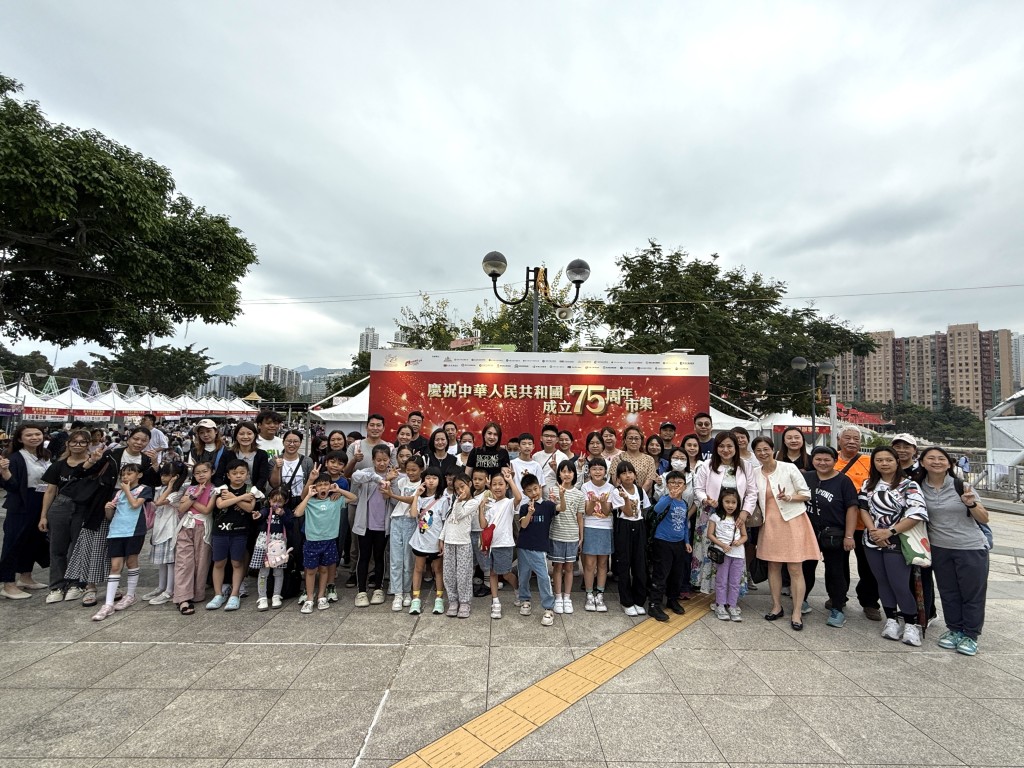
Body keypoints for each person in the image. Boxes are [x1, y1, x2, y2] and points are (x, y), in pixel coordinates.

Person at [917, 446, 990, 656]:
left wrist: (972, 503)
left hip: (970, 547)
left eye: (941, 458)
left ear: (949, 463)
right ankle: (954, 629)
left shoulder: (961, 486)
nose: (936, 462)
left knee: (972, 593)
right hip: (939, 548)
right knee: (948, 592)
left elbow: (984, 518)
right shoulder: (919, 487)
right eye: (930, 458)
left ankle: (971, 634)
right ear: (922, 463)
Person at [858, 445, 928, 647]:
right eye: (879, 460)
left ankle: (911, 623)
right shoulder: (868, 484)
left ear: (897, 461)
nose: (884, 463)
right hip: (872, 540)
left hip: (898, 540)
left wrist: (889, 532)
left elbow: (916, 514)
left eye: (888, 459)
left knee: (899, 583)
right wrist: (874, 532)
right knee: (882, 581)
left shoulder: (909, 485)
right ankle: (891, 619)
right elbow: (863, 509)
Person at [752, 436, 817, 631]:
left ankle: (797, 611)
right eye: (758, 451)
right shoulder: (754, 472)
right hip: (769, 523)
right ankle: (776, 605)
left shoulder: (788, 468)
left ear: (773, 449)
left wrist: (789, 497)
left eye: (766, 449)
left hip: (792, 520)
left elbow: (806, 493)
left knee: (795, 568)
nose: (763, 453)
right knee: (773, 566)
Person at [692, 432, 756, 597]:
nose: (725, 450)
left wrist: (744, 512)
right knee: (712, 552)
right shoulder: (706, 465)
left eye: (729, 446)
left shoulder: (745, 466)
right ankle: (713, 591)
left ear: (736, 447)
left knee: (732, 551)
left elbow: (752, 492)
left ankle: (731, 592)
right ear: (716, 447)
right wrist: (706, 499)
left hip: (734, 517)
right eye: (721, 446)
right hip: (710, 516)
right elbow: (698, 489)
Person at [802, 446, 859, 628]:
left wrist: (849, 536)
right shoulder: (806, 477)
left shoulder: (843, 481)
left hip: (834, 533)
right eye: (818, 459)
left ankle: (837, 608)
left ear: (835, 461)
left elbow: (852, 508)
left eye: (827, 459)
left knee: (835, 572)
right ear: (813, 460)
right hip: (809, 532)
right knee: (805, 568)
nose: (822, 463)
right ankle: (801, 600)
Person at [91, 463, 155, 621]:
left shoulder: (144, 489)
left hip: (134, 530)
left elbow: (135, 505)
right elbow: (110, 516)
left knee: (132, 561)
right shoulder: (117, 493)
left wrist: (126, 490)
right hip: (116, 531)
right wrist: (108, 508)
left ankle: (130, 595)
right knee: (115, 566)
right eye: (123, 474)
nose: (125, 477)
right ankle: (108, 603)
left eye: (130, 473)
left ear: (139, 475)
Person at [38, 429, 92, 603]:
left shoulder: (95, 464)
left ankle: (76, 584)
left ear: (88, 444)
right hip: (60, 506)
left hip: (83, 508)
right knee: (57, 548)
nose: (78, 445)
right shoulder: (58, 465)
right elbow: (50, 491)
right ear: (68, 444)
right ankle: (56, 586)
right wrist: (43, 516)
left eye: (82, 442)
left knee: (77, 549)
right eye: (74, 442)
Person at [0, 424, 51, 599]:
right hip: (22, 503)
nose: (34, 437)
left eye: (37, 434)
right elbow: (12, 486)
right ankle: (8, 583)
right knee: (14, 542)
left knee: (33, 540)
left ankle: (26, 577)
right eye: (29, 435)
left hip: (41, 500)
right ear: (20, 439)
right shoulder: (14, 458)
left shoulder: (44, 455)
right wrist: (5, 472)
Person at [293, 472, 355, 614]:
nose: (323, 487)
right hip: (311, 542)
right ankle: (309, 598)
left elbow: (353, 498)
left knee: (324, 570)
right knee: (310, 571)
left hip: (329, 541)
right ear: (315, 487)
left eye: (326, 484)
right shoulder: (309, 502)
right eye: (319, 485)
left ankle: (321, 596)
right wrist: (308, 495)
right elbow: (297, 513)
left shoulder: (335, 500)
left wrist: (338, 490)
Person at [834, 426, 879, 621]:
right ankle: (838, 597)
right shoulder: (830, 459)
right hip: (837, 522)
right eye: (847, 438)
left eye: (855, 439)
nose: (852, 442)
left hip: (865, 523)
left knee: (868, 565)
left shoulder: (869, 461)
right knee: (837, 564)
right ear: (838, 440)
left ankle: (870, 602)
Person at [206, 460, 259, 611]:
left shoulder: (251, 489)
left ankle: (235, 594)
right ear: (228, 475)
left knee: (237, 563)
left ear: (247, 474)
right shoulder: (222, 488)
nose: (238, 476)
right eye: (234, 473)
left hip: (240, 531)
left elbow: (249, 508)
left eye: (242, 473)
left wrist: (232, 498)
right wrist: (240, 497)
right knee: (219, 563)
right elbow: (220, 505)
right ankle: (218, 594)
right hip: (220, 531)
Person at [350, 444, 395, 607]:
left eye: (384, 460)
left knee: (379, 557)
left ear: (389, 459)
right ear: (373, 460)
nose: (381, 463)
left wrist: (390, 481)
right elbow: (355, 477)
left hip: (383, 525)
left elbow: (396, 499)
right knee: (364, 556)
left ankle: (378, 588)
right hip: (365, 524)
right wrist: (377, 478)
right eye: (378, 460)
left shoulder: (393, 475)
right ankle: (361, 591)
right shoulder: (367, 472)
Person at [173, 460, 217, 615]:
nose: (200, 475)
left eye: (204, 471)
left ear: (212, 472)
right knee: (184, 562)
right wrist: (194, 495)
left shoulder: (215, 490)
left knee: (201, 562)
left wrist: (192, 500)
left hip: (203, 528)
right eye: (197, 473)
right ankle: (182, 598)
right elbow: (181, 508)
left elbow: (206, 510)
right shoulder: (189, 488)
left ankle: (197, 594)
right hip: (186, 527)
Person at [142, 461, 189, 605]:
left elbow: (159, 502)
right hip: (160, 527)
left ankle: (170, 590)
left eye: (167, 475)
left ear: (176, 477)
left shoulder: (179, 490)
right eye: (163, 474)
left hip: (171, 527)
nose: (163, 478)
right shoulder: (162, 488)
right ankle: (161, 587)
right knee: (162, 561)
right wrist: (167, 487)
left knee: (170, 561)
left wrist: (169, 487)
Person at [647, 470, 691, 621]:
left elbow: (685, 524)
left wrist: (686, 541)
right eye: (672, 483)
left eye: (679, 483)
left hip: (678, 544)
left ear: (685, 487)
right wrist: (670, 497)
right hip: (663, 542)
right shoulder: (666, 499)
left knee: (676, 574)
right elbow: (657, 510)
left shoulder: (684, 503)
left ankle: (672, 599)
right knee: (661, 574)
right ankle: (654, 604)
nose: (676, 486)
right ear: (667, 485)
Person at [478, 466, 521, 619]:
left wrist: (510, 479)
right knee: (492, 573)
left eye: (501, 484)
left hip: (504, 543)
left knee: (506, 573)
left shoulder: (509, 503)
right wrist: (481, 510)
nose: (497, 487)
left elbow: (519, 498)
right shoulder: (489, 504)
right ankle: (495, 602)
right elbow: (483, 525)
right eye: (494, 484)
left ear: (506, 486)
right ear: (490, 485)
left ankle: (517, 590)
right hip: (490, 546)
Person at [515, 473, 557, 626]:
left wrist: (562, 496)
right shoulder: (525, 507)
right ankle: (525, 600)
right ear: (525, 493)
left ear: (540, 487)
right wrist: (530, 513)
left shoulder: (547, 505)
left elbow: (561, 508)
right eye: (529, 491)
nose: (533, 493)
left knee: (543, 577)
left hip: (539, 548)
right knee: (523, 575)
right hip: (524, 546)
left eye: (535, 489)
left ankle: (548, 608)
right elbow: (524, 525)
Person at [408, 466, 450, 615]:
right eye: (428, 478)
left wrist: (442, 541)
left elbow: (445, 522)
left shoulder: (444, 499)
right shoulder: (419, 496)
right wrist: (416, 496)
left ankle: (439, 599)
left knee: (438, 570)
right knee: (418, 569)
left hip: (436, 541)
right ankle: (416, 599)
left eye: (434, 478)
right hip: (420, 540)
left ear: (440, 481)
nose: (431, 481)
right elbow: (413, 514)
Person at [580, 457, 619, 612]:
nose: (597, 471)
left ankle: (600, 594)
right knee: (589, 564)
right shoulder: (585, 487)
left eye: (600, 469)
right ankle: (589, 594)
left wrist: (602, 502)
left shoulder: (611, 488)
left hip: (605, 528)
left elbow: (607, 511)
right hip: (590, 526)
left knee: (603, 563)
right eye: (594, 468)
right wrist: (592, 501)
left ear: (605, 472)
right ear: (589, 471)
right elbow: (588, 512)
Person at [612, 460, 650, 616]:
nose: (628, 476)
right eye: (623, 473)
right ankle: (626, 601)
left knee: (640, 564)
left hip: (639, 527)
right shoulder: (617, 492)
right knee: (624, 564)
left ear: (635, 474)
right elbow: (627, 512)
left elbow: (644, 509)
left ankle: (639, 600)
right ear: (619, 477)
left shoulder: (640, 490)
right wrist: (627, 499)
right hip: (624, 527)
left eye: (630, 472)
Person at [388, 455, 423, 611]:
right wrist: (390, 481)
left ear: (421, 469)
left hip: (412, 522)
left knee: (409, 560)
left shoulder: (423, 485)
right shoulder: (401, 481)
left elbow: (411, 500)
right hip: (396, 520)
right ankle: (397, 593)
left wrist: (392, 495)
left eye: (414, 469)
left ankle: (407, 591)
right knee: (396, 559)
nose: (410, 472)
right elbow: (391, 496)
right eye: (408, 469)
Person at [708, 487, 747, 622]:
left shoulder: (739, 519)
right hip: (722, 554)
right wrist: (722, 544)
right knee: (721, 580)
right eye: (727, 502)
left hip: (738, 555)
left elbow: (744, 536)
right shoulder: (715, 517)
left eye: (733, 502)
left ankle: (732, 605)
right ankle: (720, 604)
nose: (730, 505)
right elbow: (710, 534)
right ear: (721, 502)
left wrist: (739, 541)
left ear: (738, 504)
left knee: (735, 582)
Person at [440, 472, 476, 618]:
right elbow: (449, 521)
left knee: (463, 574)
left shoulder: (473, 502)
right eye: (457, 488)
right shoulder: (455, 501)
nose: (460, 490)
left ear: (470, 485)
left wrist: (459, 501)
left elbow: (460, 515)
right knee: (449, 574)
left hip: (463, 543)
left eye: (463, 486)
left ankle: (465, 602)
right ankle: (453, 600)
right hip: (449, 541)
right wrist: (441, 539)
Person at [552, 460, 583, 615]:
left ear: (574, 474)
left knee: (569, 567)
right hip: (556, 534)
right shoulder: (553, 490)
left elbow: (580, 517)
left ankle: (567, 597)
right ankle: (558, 597)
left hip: (572, 535)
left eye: (570, 471)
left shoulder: (579, 494)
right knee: (557, 566)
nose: (566, 474)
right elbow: (551, 512)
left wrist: (581, 536)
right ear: (558, 473)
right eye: (563, 471)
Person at [252, 487, 291, 611]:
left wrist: (283, 515)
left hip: (279, 546)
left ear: (285, 502)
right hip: (264, 544)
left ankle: (276, 595)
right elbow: (260, 516)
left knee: (278, 572)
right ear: (269, 500)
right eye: (274, 501)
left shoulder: (286, 512)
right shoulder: (265, 510)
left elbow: (290, 525)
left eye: (280, 502)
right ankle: (262, 596)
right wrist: (258, 515)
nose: (276, 504)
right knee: (263, 572)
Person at [610, 425, 658, 496]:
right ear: (625, 440)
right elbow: (615, 481)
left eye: (636, 438)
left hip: (643, 499)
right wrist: (627, 497)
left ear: (641, 441)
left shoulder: (649, 459)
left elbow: (649, 482)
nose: (633, 441)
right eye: (630, 438)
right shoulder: (617, 459)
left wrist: (638, 497)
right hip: (623, 499)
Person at [533, 424, 570, 488]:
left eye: (552, 436)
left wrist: (556, 470)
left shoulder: (563, 457)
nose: (549, 439)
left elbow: (567, 479)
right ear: (541, 438)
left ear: (557, 439)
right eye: (546, 436)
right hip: (538, 495)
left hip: (556, 495)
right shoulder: (535, 456)